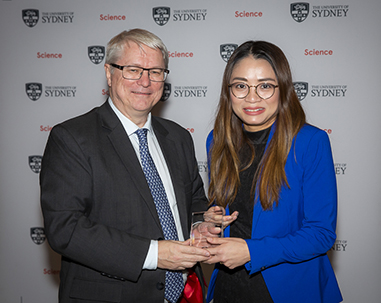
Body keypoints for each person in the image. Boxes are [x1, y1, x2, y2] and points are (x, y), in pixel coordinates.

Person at [40, 28, 235, 303]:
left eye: (156, 71)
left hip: (183, 295)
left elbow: (194, 203)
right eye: (133, 69)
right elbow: (65, 229)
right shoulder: (72, 138)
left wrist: (200, 225)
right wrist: (156, 254)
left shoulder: (178, 137)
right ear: (109, 73)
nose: (145, 81)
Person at [203, 41, 343, 303]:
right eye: (241, 86)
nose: (252, 97)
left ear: (283, 89)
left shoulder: (310, 142)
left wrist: (251, 251)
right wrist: (212, 219)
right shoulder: (217, 140)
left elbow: (321, 234)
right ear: (229, 91)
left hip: (288, 290)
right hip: (228, 287)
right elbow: (228, 206)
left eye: (265, 86)